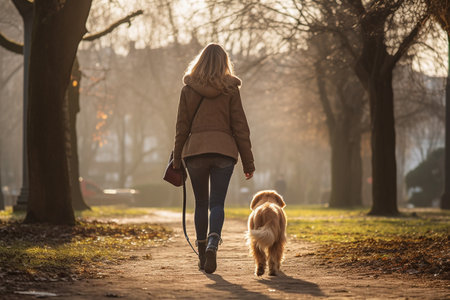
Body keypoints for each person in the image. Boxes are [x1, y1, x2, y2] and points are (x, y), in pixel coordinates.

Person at [172, 43, 255, 274]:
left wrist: (177, 158)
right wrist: (248, 163)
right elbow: (240, 128)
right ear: (224, 63)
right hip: (223, 153)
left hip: (195, 152)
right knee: (217, 203)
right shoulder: (231, 89)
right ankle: (212, 243)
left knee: (201, 203)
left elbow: (181, 127)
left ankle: (201, 253)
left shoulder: (188, 89)